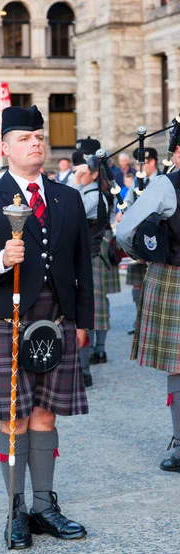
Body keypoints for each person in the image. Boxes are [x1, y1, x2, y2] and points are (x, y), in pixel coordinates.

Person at [0, 105, 94, 549]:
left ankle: (44, 506)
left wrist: (83, 321)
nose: (36, 143)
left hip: (57, 318)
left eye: (39, 136)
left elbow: (80, 267)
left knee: (45, 413)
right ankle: (16, 509)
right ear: (4, 148)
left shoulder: (66, 197)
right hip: (5, 315)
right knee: (13, 418)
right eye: (24, 138)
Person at [116, 129, 180, 473]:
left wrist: (138, 254)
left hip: (173, 277)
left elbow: (125, 229)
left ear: (177, 152)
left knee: (179, 366)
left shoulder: (166, 185)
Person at [70, 153, 109, 386]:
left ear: (93, 174)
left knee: (88, 310)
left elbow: (69, 214)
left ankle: (85, 370)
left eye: (82, 170)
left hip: (90, 256)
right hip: (81, 255)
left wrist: (74, 182)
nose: (78, 174)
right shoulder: (85, 192)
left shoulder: (93, 196)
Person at [122, 148, 160, 334]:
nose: (137, 166)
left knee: (159, 283)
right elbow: (127, 204)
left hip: (160, 241)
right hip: (138, 239)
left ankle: (157, 322)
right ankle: (140, 321)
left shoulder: (165, 179)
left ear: (151, 162)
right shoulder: (137, 182)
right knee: (138, 283)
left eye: (140, 163)